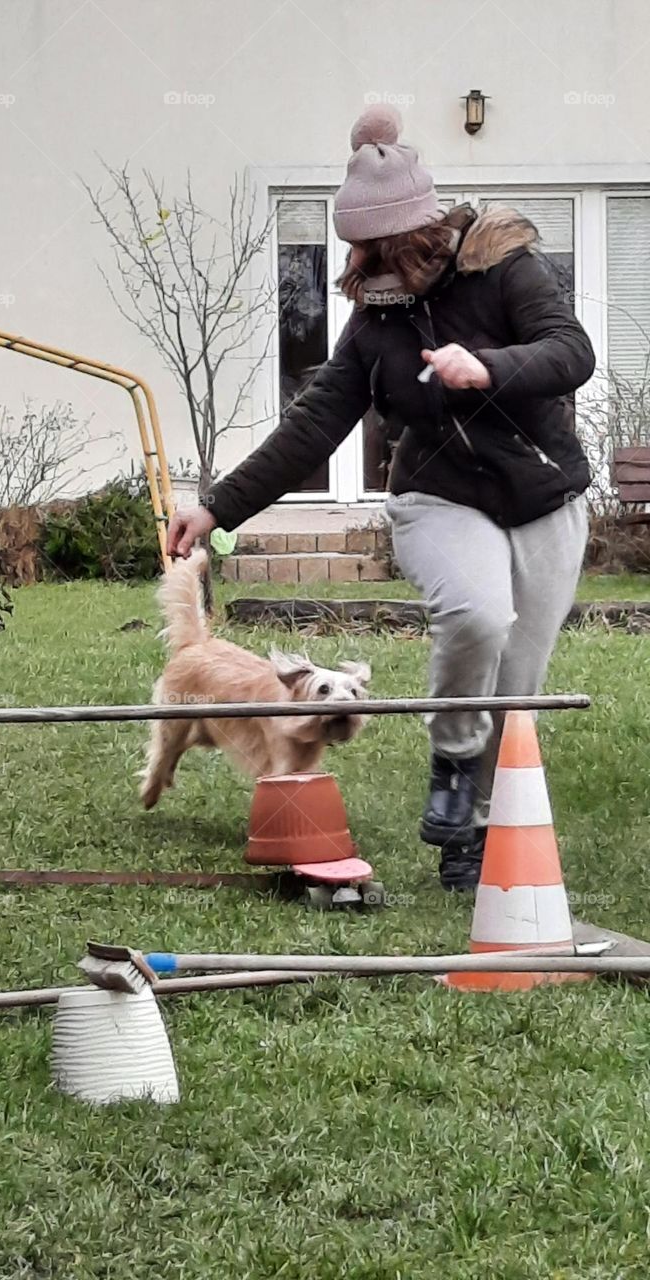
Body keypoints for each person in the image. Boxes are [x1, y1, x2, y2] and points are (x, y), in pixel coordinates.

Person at [168, 105, 594, 891]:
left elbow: (572, 351)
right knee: (475, 614)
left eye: (366, 251)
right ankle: (454, 761)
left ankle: (477, 832)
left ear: (409, 237)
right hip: (438, 498)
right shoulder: (374, 322)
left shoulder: (504, 268)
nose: (356, 270)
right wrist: (218, 507)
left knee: (520, 681)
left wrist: (489, 367)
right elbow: (315, 423)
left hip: (546, 494)